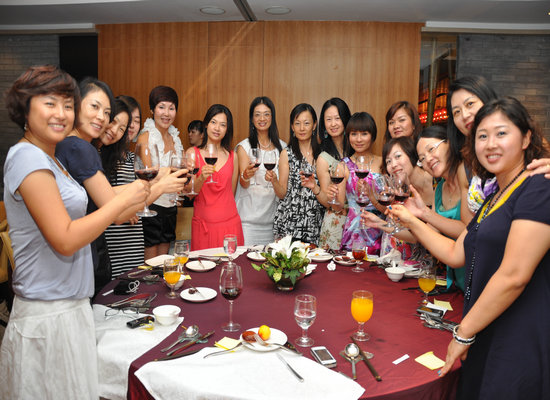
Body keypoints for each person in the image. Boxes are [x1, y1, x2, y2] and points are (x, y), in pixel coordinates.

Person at [0, 65, 149, 399]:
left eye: (68, 105)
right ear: (25, 108)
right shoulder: (27, 157)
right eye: (49, 103)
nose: (61, 113)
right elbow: (65, 239)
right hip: (47, 313)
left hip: (70, 306)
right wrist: (119, 203)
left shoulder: (52, 159)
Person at [392, 97, 550, 398]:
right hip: (486, 327)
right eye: (482, 136)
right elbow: (456, 253)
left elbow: (515, 274)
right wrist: (412, 220)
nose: (491, 144)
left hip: (519, 335)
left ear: (526, 138)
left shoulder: (539, 186)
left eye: (501, 133)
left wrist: (463, 332)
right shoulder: (494, 197)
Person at [447, 75, 550, 222]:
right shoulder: (465, 167)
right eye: (456, 112)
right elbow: (469, 227)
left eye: (470, 104)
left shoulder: (526, 143)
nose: (464, 115)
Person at [94, 97, 145, 278]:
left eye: (136, 121)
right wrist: (124, 205)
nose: (131, 126)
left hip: (133, 234)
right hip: (111, 234)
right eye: (123, 122)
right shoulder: (100, 153)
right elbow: (98, 197)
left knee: (134, 281)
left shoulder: (133, 158)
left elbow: (140, 192)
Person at [187, 104, 244, 250]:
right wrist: (201, 178)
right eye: (213, 122)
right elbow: (189, 194)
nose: (217, 128)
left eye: (223, 125)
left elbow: (231, 193)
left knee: (231, 264)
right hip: (203, 228)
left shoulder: (233, 156)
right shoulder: (192, 153)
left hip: (230, 226)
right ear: (206, 124)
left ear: (227, 129)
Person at [136, 85, 184, 259]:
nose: (166, 113)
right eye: (161, 107)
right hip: (151, 204)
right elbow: (149, 176)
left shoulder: (175, 139)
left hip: (171, 206)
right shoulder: (146, 137)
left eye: (171, 108)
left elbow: (180, 171)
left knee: (164, 261)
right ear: (152, 110)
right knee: (150, 261)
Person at [235, 96, 286, 245]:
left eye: (266, 114)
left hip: (273, 223)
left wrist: (274, 180)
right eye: (257, 114)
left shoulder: (282, 148)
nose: (262, 118)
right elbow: (244, 183)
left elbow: (283, 190)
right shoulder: (244, 147)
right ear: (252, 119)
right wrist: (245, 175)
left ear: (272, 117)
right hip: (248, 222)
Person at [331, 112, 383, 252]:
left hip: (380, 228)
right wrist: (333, 196)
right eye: (354, 134)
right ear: (348, 136)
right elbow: (338, 206)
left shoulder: (383, 162)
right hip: (355, 230)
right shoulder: (343, 165)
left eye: (364, 134)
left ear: (372, 135)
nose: (358, 139)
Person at [272, 103, 324, 243]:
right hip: (289, 223)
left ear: (314, 125)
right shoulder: (287, 154)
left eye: (306, 123)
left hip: (314, 223)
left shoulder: (322, 155)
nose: (302, 128)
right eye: (297, 123)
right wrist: (274, 181)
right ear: (292, 127)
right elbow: (282, 193)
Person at [316, 98, 351, 250]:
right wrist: (329, 194)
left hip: (359, 221)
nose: (333, 124)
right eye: (328, 119)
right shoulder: (324, 158)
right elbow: (326, 201)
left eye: (337, 118)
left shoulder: (357, 149)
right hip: (336, 223)